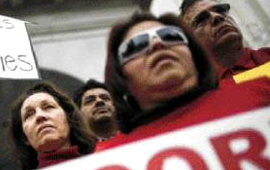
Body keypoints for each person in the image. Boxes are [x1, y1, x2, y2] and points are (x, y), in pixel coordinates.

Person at [98, 12, 269, 151]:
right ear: (120, 76)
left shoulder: (262, 91)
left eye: (170, 36)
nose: (158, 44)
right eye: (136, 45)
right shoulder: (108, 157)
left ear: (194, 55)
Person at [179, 0, 270, 81]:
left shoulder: (266, 56)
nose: (217, 16)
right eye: (201, 19)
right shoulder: (205, 94)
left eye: (221, 10)